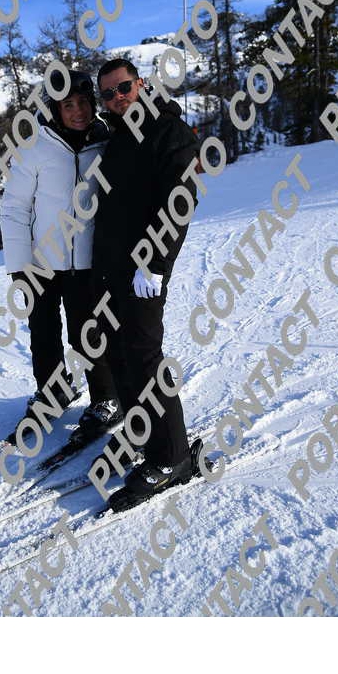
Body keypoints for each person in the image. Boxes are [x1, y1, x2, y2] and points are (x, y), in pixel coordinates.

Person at [91, 58, 202, 507]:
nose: (117, 98)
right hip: (112, 268)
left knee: (143, 355)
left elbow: (180, 201)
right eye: (108, 94)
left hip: (143, 270)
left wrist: (154, 264)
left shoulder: (168, 130)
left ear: (140, 83)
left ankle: (173, 456)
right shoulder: (118, 135)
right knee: (118, 353)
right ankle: (141, 431)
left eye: (123, 88)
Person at [0, 69, 122, 440]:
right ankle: (53, 391)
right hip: (41, 261)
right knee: (44, 333)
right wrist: (19, 265)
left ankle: (106, 398)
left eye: (83, 102)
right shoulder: (35, 147)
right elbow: (15, 207)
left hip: (87, 262)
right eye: (68, 105)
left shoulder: (106, 142)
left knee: (89, 333)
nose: (78, 111)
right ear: (55, 110)